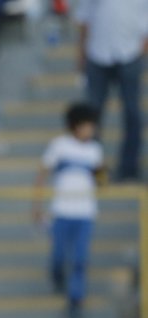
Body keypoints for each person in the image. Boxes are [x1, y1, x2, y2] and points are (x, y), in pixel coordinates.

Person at [32, 103, 104, 318]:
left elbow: (101, 181)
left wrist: (103, 174)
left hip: (85, 213)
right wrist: (37, 205)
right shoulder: (59, 146)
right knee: (59, 256)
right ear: (76, 126)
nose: (91, 130)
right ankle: (58, 278)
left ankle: (75, 299)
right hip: (61, 212)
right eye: (87, 125)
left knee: (80, 259)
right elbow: (43, 174)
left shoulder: (95, 150)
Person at [75, 0, 147, 182]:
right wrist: (81, 53)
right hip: (98, 54)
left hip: (129, 54)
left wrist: (141, 50)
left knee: (132, 113)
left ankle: (129, 168)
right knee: (93, 115)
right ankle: (93, 167)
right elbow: (84, 20)